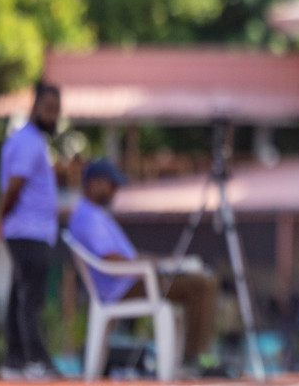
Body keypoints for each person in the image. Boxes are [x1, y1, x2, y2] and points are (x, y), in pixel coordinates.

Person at [67, 158, 221, 371]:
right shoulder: (88, 217)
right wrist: (153, 266)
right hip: (123, 287)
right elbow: (111, 258)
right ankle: (193, 360)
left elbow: (127, 255)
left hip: (130, 280)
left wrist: (162, 262)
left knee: (197, 280)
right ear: (94, 184)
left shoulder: (94, 214)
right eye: (112, 185)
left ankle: (187, 359)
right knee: (203, 284)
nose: (115, 191)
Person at [0, 82, 62, 380]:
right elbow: (15, 185)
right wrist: (0, 216)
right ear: (34, 107)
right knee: (30, 296)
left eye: (57, 111)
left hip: (30, 229)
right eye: (48, 109)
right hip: (29, 230)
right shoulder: (29, 142)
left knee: (19, 293)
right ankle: (35, 360)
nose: (53, 116)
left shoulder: (27, 141)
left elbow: (9, 185)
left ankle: (15, 360)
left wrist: (0, 217)